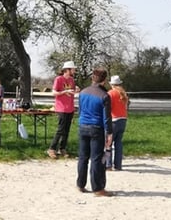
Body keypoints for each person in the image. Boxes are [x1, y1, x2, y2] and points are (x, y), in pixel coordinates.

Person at [76, 68, 113, 197]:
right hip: (96, 128)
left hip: (82, 126)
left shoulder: (83, 92)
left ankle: (80, 184)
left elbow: (80, 111)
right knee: (97, 159)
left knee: (82, 157)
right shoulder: (104, 96)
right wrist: (109, 133)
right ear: (104, 80)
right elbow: (107, 117)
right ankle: (97, 188)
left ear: (92, 78)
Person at [47, 61, 77, 159]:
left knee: (67, 130)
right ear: (67, 70)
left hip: (70, 108)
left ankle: (62, 148)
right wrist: (65, 91)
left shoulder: (72, 80)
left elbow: (72, 93)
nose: (74, 70)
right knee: (60, 129)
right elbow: (54, 92)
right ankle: (52, 148)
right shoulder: (59, 79)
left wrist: (76, 90)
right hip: (61, 108)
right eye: (73, 69)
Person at [106, 75, 129, 171]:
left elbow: (108, 107)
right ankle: (118, 165)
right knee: (118, 142)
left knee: (108, 142)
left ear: (112, 84)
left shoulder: (110, 93)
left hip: (114, 119)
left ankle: (108, 164)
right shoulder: (124, 94)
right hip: (123, 119)